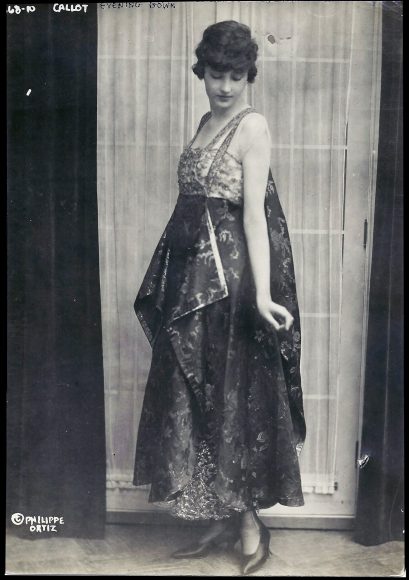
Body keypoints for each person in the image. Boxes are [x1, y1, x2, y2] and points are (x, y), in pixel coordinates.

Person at [132, 20, 306, 576]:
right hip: (189, 281)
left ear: (248, 75)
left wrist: (261, 295)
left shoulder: (253, 127)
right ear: (200, 71)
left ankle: (252, 523)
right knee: (194, 393)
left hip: (231, 287)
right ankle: (218, 516)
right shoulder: (206, 121)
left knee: (235, 398)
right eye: (215, 74)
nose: (224, 86)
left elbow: (254, 216)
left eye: (235, 75)